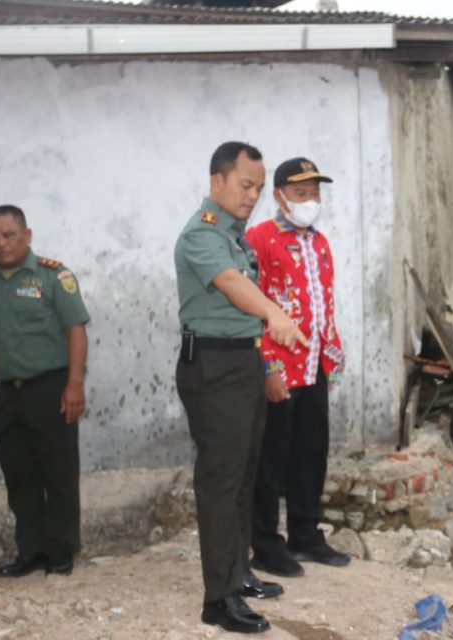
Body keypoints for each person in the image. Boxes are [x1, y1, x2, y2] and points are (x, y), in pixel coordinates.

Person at [173, 141, 308, 635]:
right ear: (217, 183)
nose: (253, 195)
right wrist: (273, 313)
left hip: (243, 362)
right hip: (213, 366)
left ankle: (238, 571)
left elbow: (241, 285)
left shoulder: (234, 234)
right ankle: (218, 599)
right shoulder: (202, 235)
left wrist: (266, 361)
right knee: (220, 482)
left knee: (244, 476)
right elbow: (232, 284)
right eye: (245, 185)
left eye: (257, 186)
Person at [0, 205, 90, 579]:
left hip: (50, 386)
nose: (1, 243)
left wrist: (74, 384)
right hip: (10, 392)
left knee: (58, 473)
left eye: (9, 235)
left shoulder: (54, 276)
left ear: (27, 235)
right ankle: (31, 550)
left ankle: (60, 549)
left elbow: (76, 330)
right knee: (19, 475)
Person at [247, 157, 349, 577]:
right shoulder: (258, 239)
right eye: (301, 192)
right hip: (278, 370)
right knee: (271, 461)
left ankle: (305, 534)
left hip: (314, 368)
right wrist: (267, 366)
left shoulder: (320, 243)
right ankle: (266, 544)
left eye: (315, 192)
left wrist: (332, 355)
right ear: (279, 196)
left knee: (311, 454)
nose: (310, 200)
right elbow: (250, 308)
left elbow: (323, 305)